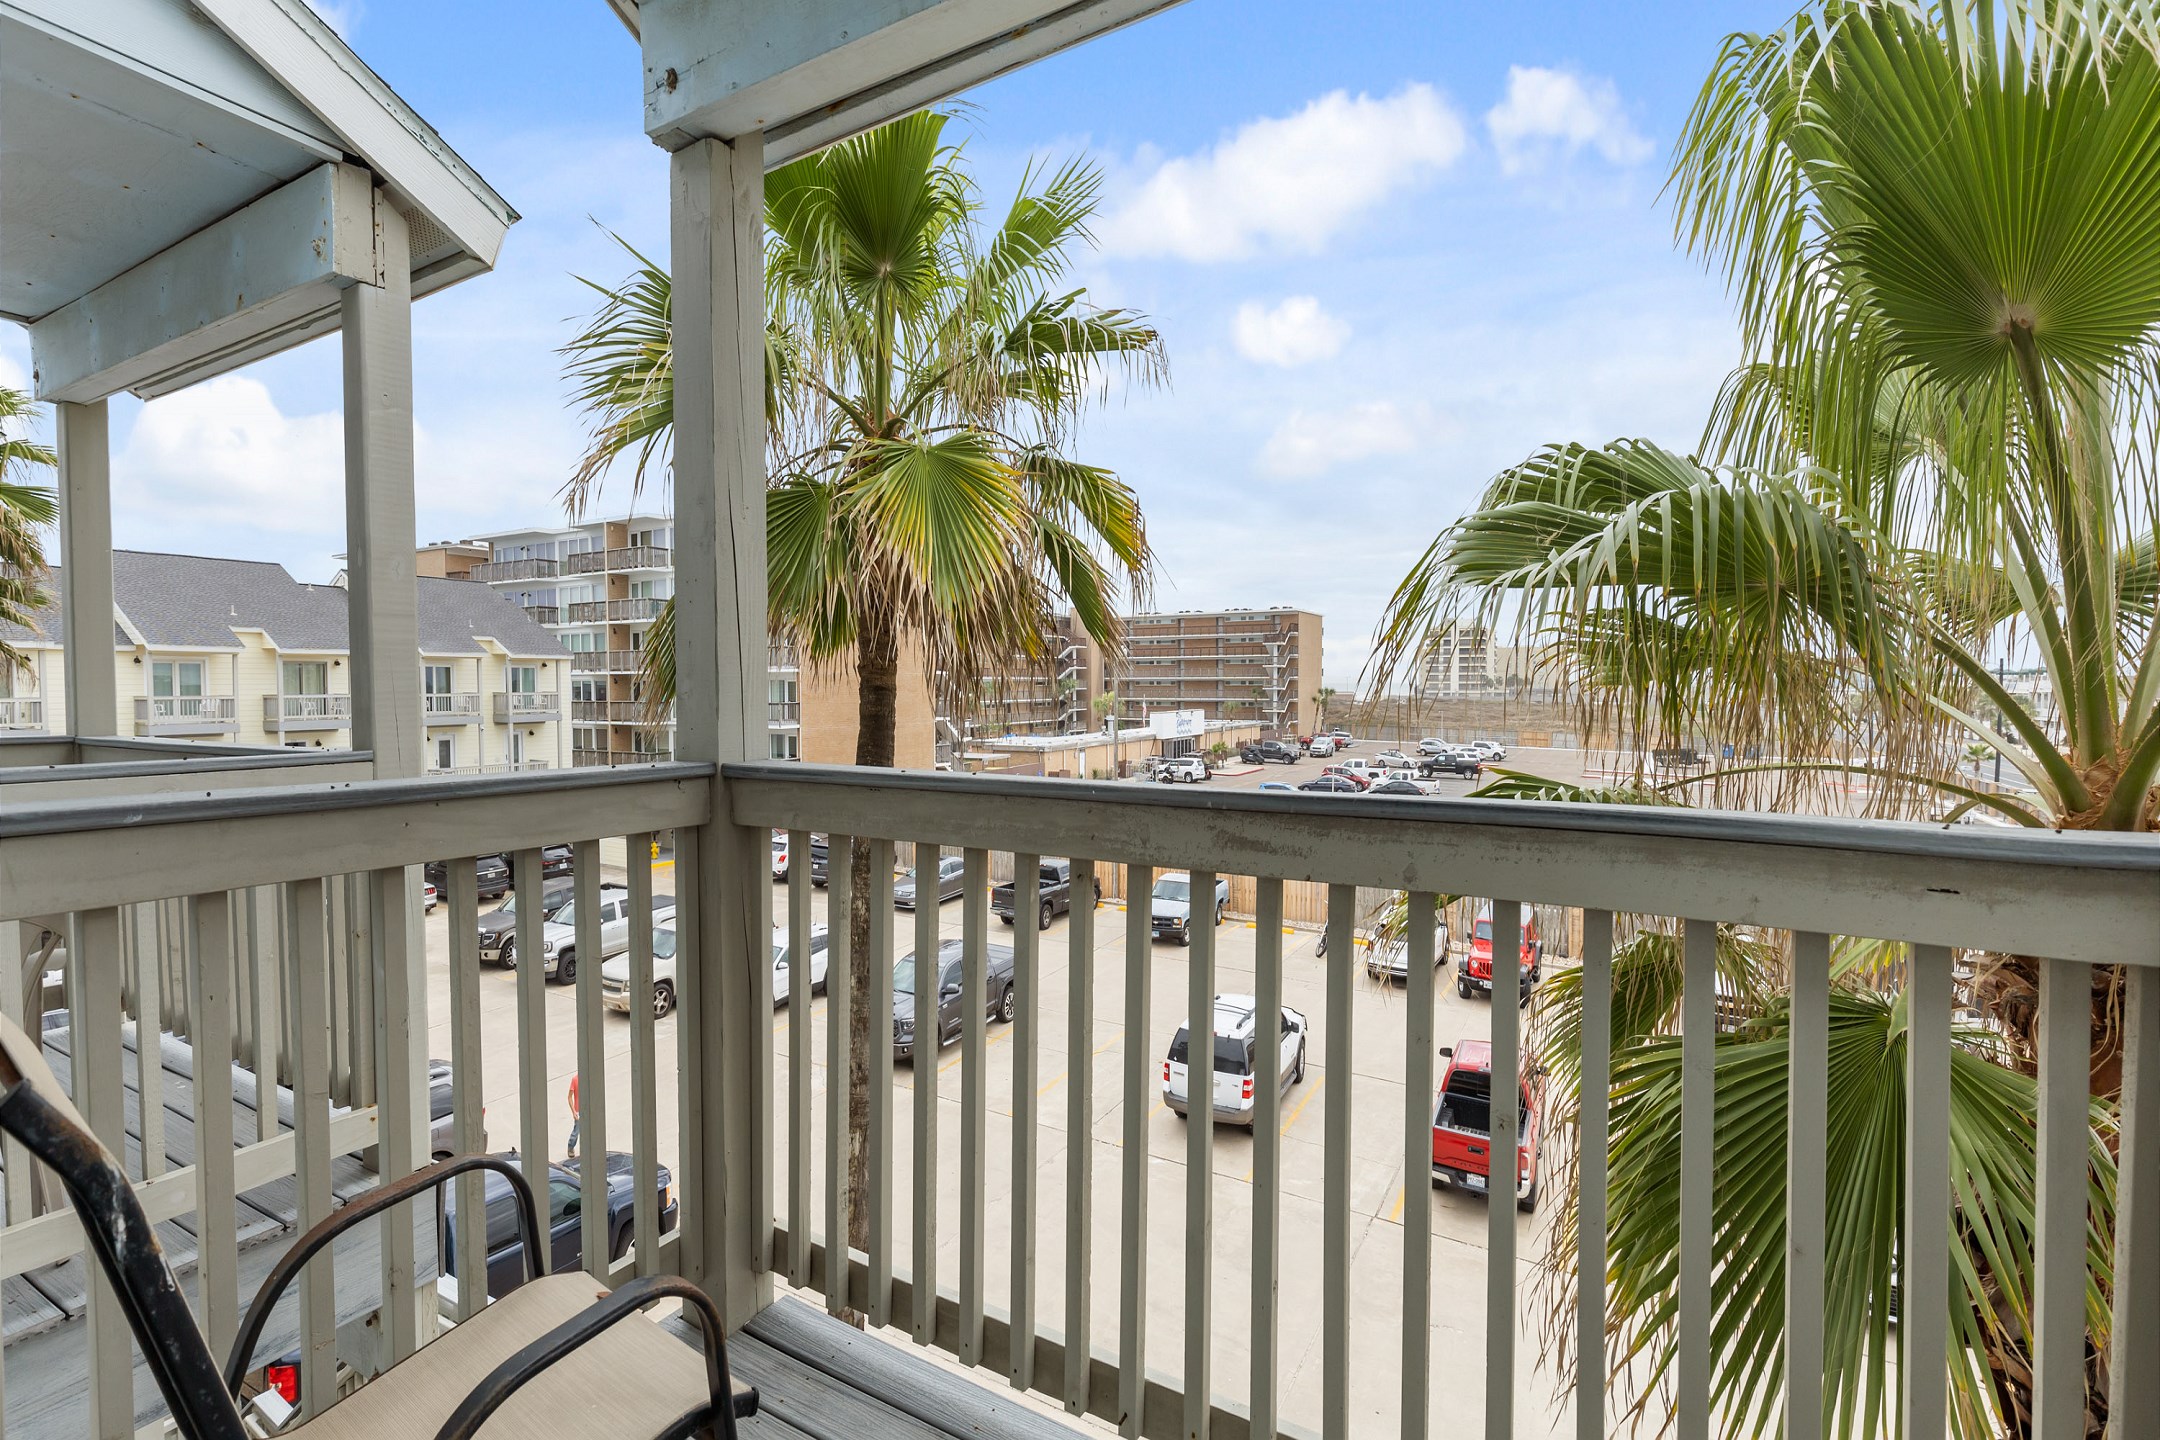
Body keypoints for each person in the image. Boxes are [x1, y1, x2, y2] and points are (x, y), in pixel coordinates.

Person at [566, 1073, 580, 1159]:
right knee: (576, 1131)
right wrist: (574, 1111)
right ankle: (570, 1147)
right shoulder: (575, 1079)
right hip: (578, 1111)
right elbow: (569, 1097)